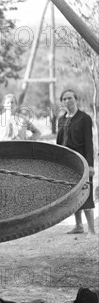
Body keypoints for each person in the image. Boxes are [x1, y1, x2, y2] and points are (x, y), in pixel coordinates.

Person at [56, 88, 96, 235]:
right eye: (64, 99)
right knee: (72, 194)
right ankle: (78, 226)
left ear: (76, 100)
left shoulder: (84, 118)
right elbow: (59, 143)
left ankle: (91, 230)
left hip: (82, 162)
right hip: (67, 164)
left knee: (86, 193)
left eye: (70, 98)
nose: (67, 101)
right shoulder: (61, 119)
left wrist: (90, 165)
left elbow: (89, 143)